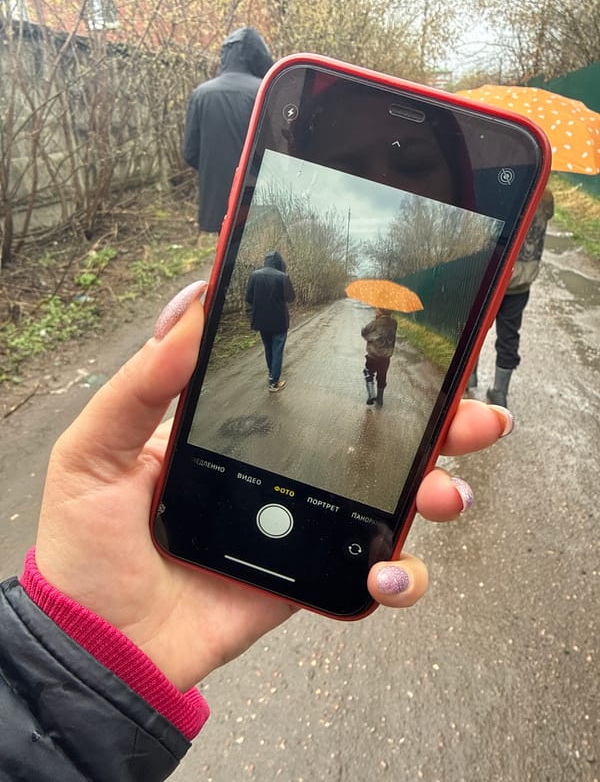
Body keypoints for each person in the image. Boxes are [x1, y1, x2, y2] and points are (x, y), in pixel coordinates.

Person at [0, 282, 514, 780]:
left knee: (337, 365)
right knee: (376, 378)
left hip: (72, 678)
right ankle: (377, 391)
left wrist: (67, 635)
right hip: (88, 707)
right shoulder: (393, 328)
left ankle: (361, 384)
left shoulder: (363, 320)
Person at [182, 27, 273, 243]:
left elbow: (190, 153)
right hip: (258, 201)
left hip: (217, 203)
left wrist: (215, 171)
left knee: (224, 263)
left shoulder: (201, 95)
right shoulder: (266, 91)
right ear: (259, 55)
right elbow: (278, 150)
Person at [469, 187, 555, 407]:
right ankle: (500, 392)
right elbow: (548, 216)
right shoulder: (546, 196)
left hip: (491, 278)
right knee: (509, 335)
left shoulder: (507, 188)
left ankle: (468, 378)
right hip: (521, 281)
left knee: (474, 329)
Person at [245, 249, 295, 392]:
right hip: (279, 321)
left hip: (261, 320)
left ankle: (271, 374)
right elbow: (291, 298)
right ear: (279, 262)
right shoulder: (282, 277)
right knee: (277, 349)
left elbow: (248, 297)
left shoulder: (254, 275)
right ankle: (274, 383)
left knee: (268, 347)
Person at [361, 307, 398, 406]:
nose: (375, 310)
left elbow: (364, 333)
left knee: (368, 372)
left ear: (381, 311)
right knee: (382, 376)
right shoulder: (394, 323)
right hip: (386, 357)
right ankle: (380, 399)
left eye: (377, 309)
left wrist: (376, 320)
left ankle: (371, 394)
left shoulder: (375, 323)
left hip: (373, 355)